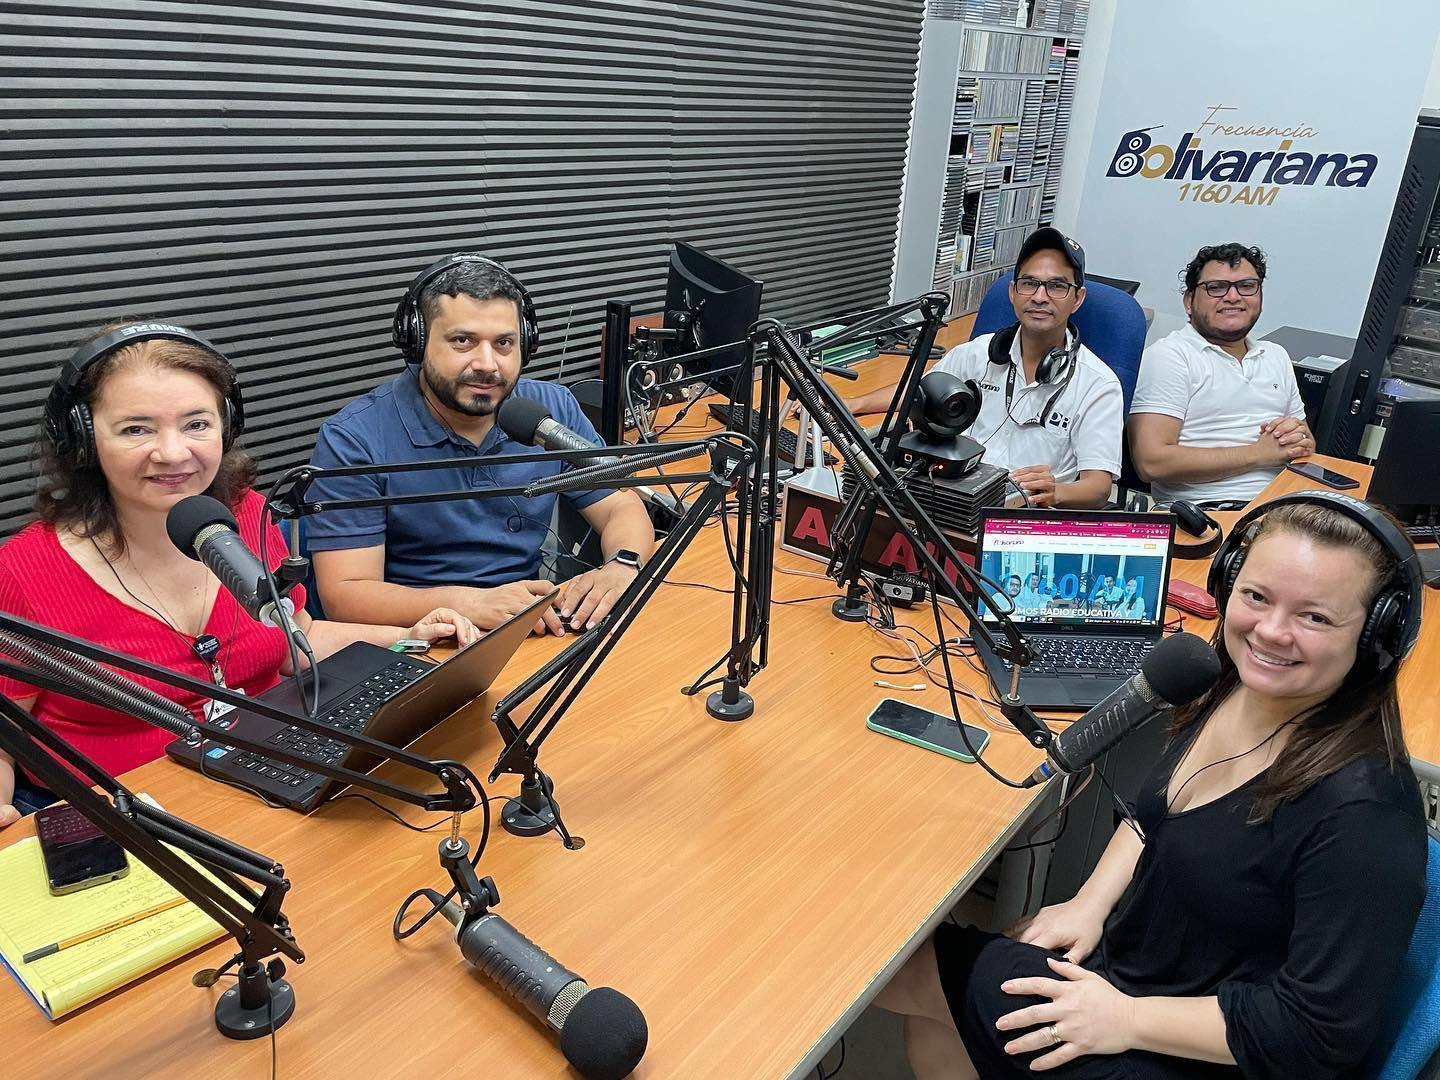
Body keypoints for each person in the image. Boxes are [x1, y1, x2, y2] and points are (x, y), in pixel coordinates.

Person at [875, 498, 1426, 1079]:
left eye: (1315, 617)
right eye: (1256, 596)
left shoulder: (1364, 816)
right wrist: (1090, 903)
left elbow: (1314, 1034)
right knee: (938, 1000)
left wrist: (1128, 1019)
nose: (1269, 631)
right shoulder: (1233, 686)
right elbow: (1152, 816)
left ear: (1375, 637)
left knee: (912, 972)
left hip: (1203, 1047)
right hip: (1135, 974)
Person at [0, 324, 481, 826]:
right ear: (82, 437)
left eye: (196, 424)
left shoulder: (246, 516)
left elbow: (298, 639)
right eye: (135, 429)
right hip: (126, 823)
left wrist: (407, 635)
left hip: (264, 787)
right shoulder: (25, 571)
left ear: (225, 427)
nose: (173, 452)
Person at [305, 255, 655, 637]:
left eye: (504, 343)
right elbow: (345, 594)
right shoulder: (356, 438)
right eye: (462, 341)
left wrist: (624, 564)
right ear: (418, 342)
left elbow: (620, 503)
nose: (487, 364)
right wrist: (464, 603)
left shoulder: (551, 410)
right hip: (420, 641)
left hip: (529, 626)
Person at [844, 229, 1122, 509]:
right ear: (1013, 292)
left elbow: (1098, 486)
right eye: (1029, 283)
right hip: (952, 499)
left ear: (1077, 298)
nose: (1040, 296)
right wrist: (856, 403)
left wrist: (1057, 492)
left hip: (1023, 514)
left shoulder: (1098, 384)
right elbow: (921, 390)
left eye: (1057, 286)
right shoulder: (980, 353)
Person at [1129, 243, 1313, 509]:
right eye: (1216, 287)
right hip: (1207, 511)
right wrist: (1258, 454)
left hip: (1286, 504)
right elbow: (1151, 462)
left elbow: (1306, 444)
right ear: (1189, 301)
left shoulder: (1276, 355)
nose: (1233, 297)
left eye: (1246, 286)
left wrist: (1296, 440)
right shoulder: (1170, 356)